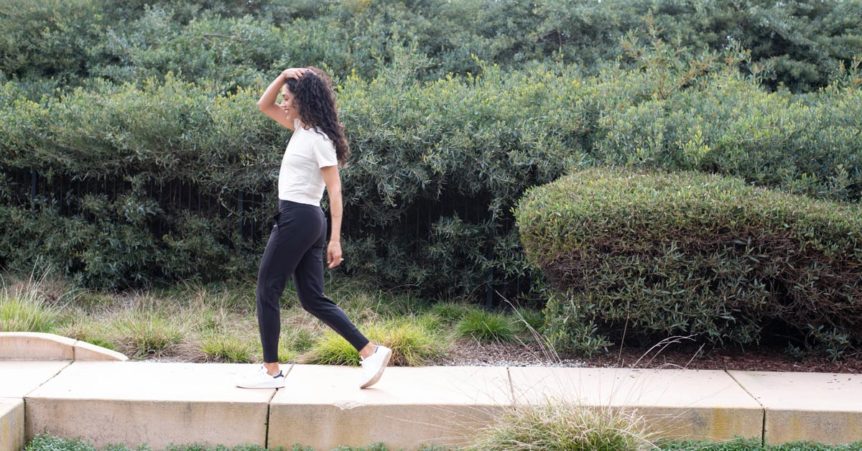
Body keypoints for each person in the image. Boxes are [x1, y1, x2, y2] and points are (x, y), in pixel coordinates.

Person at [236, 66, 391, 389]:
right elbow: (263, 105)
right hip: (305, 219)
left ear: (303, 100)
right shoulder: (300, 129)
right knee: (311, 298)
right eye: (284, 97)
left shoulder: (318, 139)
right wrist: (282, 76)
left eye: (288, 98)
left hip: (299, 218)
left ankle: (271, 371)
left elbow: (335, 190)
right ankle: (370, 351)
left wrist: (336, 239)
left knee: (267, 288)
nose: (283, 103)